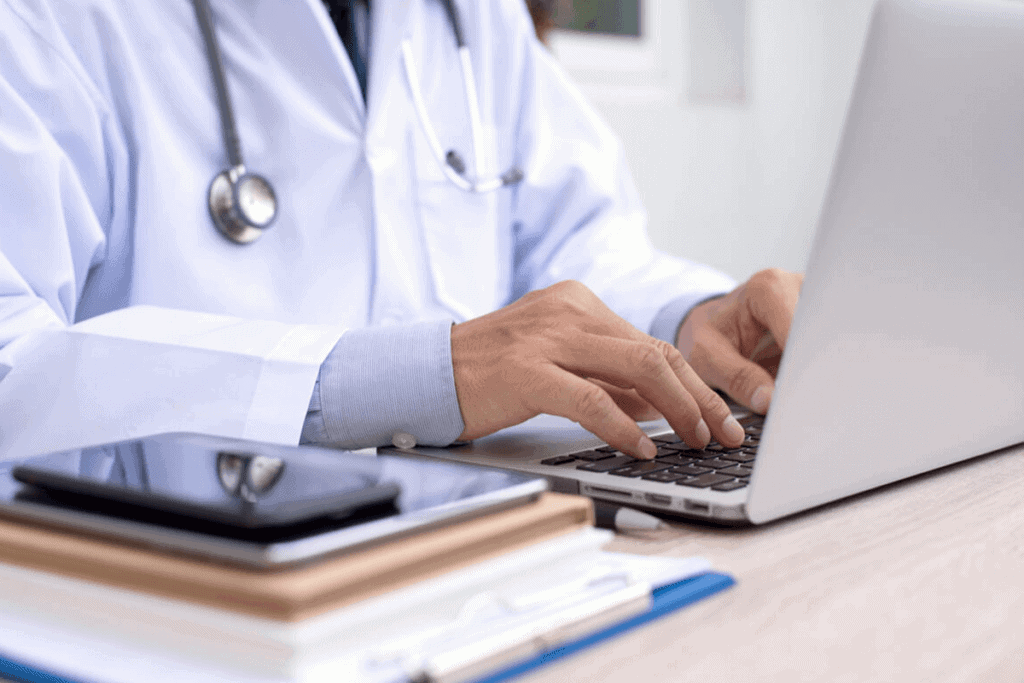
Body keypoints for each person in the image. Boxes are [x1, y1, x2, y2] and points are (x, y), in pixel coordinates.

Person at [0, 0, 800, 462]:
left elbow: (575, 241)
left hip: (459, 549)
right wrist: (400, 379)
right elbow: (11, 357)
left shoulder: (465, 16)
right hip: (171, 594)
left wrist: (687, 325)